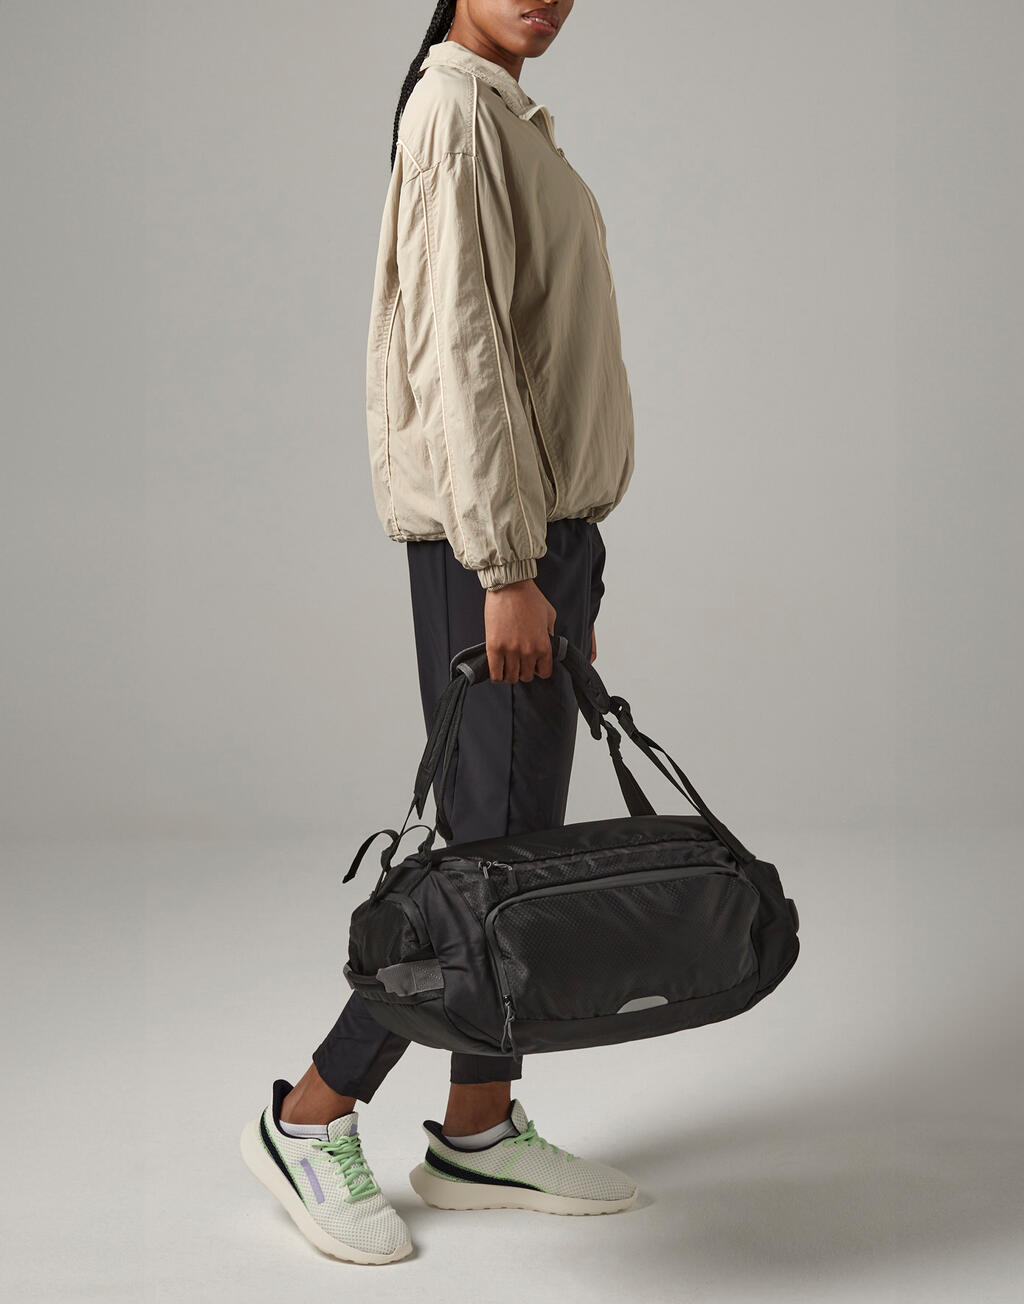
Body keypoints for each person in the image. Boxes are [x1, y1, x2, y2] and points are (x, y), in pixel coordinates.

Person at [240, 0, 639, 1263]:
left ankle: (478, 1123)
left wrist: (558, 571)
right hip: (497, 544)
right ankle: (311, 1112)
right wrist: (506, 568)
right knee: (484, 861)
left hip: (542, 538)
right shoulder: (455, 109)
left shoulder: (505, 112)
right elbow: (461, 353)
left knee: (512, 846)